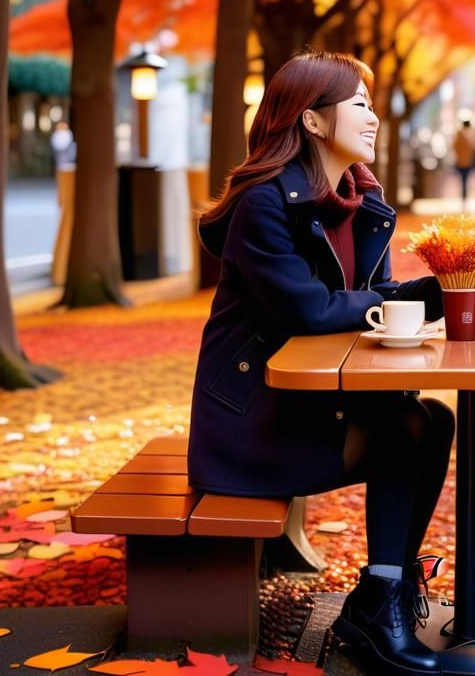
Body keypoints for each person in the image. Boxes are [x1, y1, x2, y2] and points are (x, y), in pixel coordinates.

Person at [189, 52, 454, 675]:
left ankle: (383, 590)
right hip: (252, 425)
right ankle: (379, 603)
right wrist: (400, 301)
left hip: (314, 405)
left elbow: (370, 308)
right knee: (404, 434)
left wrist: (435, 291)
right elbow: (308, 310)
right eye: (358, 103)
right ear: (311, 121)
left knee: (433, 422)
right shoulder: (264, 204)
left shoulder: (362, 201)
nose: (372, 116)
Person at [452, 118, 475, 204]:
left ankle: (464, 197)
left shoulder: (459, 134)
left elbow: (454, 146)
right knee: (466, 180)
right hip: (469, 162)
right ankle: (465, 197)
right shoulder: (472, 135)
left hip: (460, 162)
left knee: (463, 180)